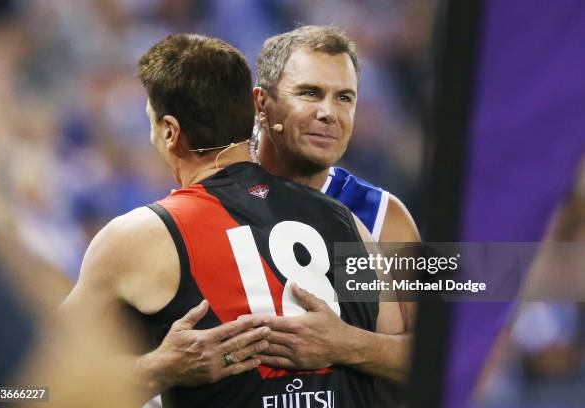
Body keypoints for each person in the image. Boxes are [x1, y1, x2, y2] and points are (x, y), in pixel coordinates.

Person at [63, 33, 398, 407]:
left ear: (170, 132)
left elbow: (25, 386)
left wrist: (158, 368)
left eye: (151, 124)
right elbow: (415, 373)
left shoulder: (139, 237)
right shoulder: (352, 223)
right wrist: (348, 351)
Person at [249, 25, 419, 385]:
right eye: (310, 93)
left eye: (344, 98)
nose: (330, 113)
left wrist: (344, 345)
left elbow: (435, 357)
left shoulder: (382, 216)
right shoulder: (208, 197)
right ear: (262, 104)